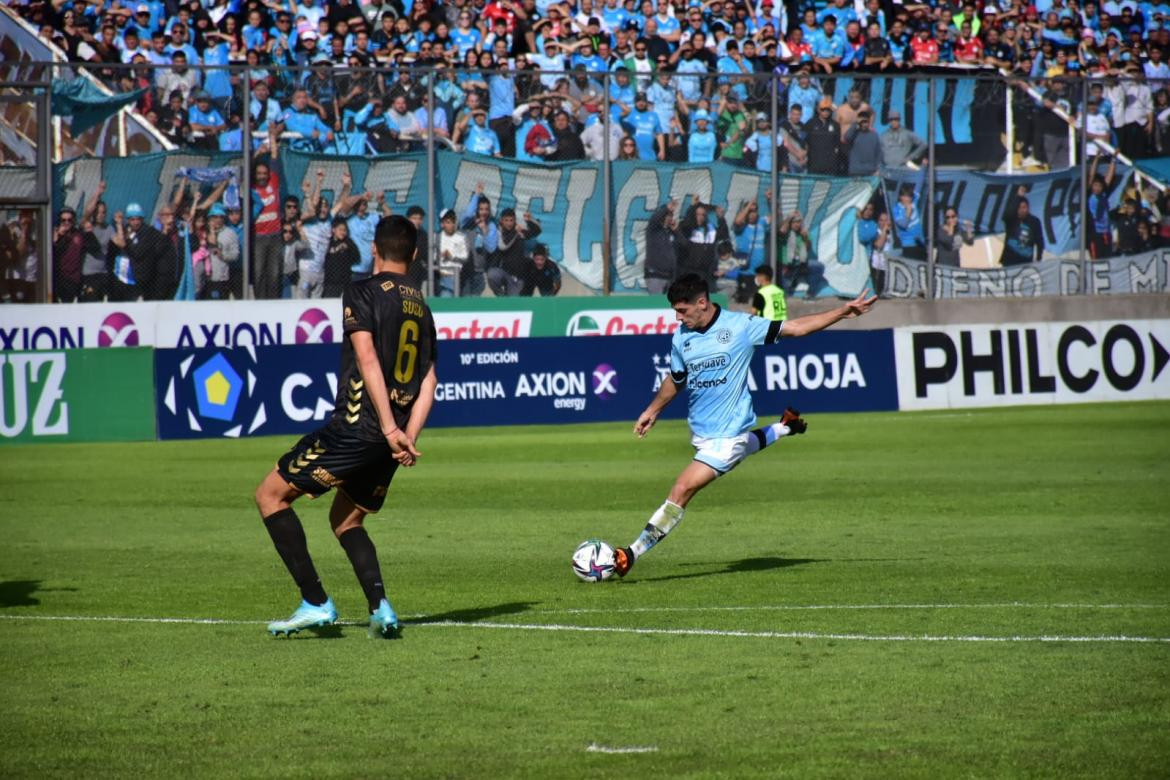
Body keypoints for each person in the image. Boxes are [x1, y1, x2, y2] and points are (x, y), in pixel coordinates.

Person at [609, 273, 877, 577]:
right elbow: (676, 379)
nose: (678, 317)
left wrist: (843, 311)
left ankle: (631, 554)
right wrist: (653, 409)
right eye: (675, 311)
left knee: (682, 489)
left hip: (727, 438)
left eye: (682, 310)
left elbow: (795, 328)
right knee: (744, 448)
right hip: (703, 434)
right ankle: (785, 427)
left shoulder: (740, 327)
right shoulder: (681, 337)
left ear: (702, 303)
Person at [256, 214, 438, 639]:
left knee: (270, 496)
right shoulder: (423, 308)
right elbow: (429, 381)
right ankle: (382, 608)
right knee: (346, 520)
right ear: (413, 255)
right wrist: (408, 437)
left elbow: (368, 359)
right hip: (391, 439)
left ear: (374, 248)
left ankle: (315, 602)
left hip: (360, 429)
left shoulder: (360, 291)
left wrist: (391, 429)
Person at [1000, 189, 1045, 266]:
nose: (1022, 210)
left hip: (1026, 263)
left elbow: (1039, 241)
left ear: (1028, 208)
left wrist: (1038, 258)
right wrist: (1018, 196)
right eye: (1019, 208)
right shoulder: (1011, 219)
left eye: (1024, 207)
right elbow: (1006, 215)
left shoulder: (1034, 221)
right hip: (1009, 261)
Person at [644, 198, 679, 294]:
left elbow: (684, 244)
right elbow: (654, 218)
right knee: (656, 305)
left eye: (671, 216)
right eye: (667, 216)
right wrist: (667, 208)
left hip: (670, 276)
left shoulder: (670, 232)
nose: (669, 218)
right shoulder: (653, 229)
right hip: (655, 274)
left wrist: (676, 231)